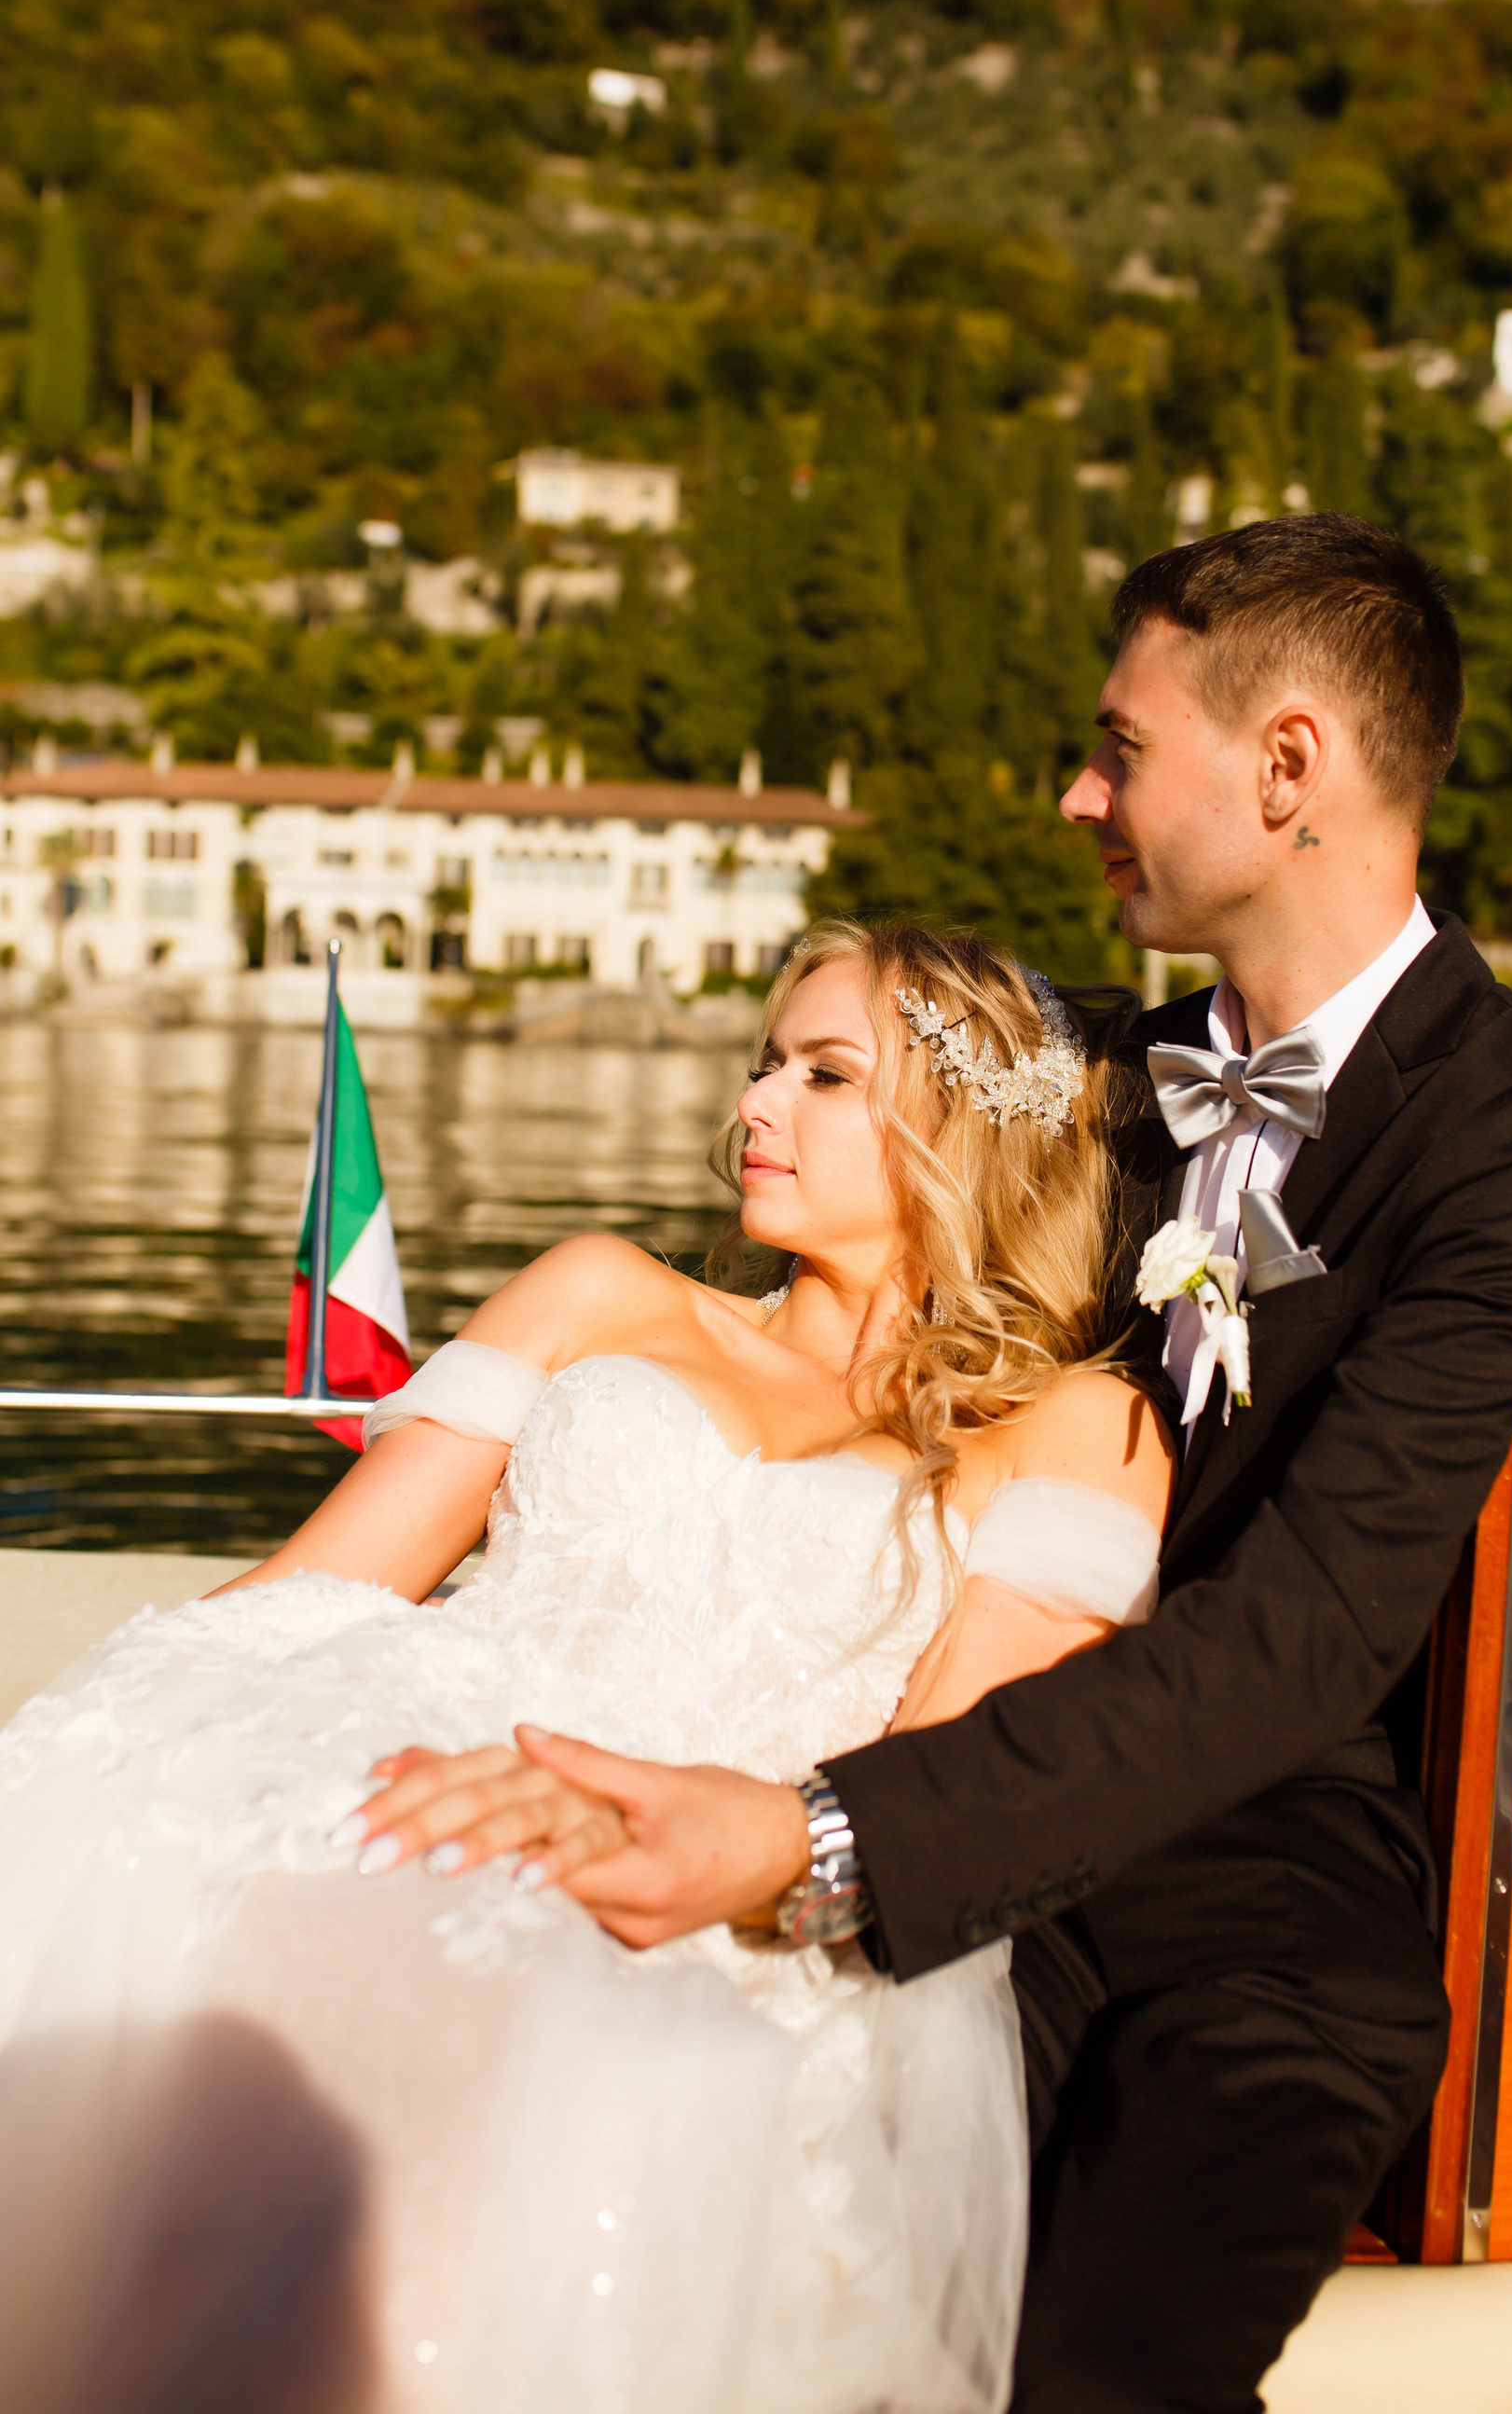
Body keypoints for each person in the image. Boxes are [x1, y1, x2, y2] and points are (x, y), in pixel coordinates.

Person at [364, 514, 1512, 2412]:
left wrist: (819, 1840)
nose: (1076, 795)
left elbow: (1312, 1635)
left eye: (1120, 748)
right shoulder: (1074, 1084)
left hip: (1253, 1855)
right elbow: (843, 1269)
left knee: (1105, 2347)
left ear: (1288, 767)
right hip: (920, 1731)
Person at [0, 921, 1175, 2414]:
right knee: (283, 1900)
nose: (754, 1103)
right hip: (410, 1752)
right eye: (766, 1065)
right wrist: (99, 1749)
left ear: (963, 1131)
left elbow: (944, 1780)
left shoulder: (1070, 1430)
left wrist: (686, 1848)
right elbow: (314, 1587)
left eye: (824, 1075)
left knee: (493, 2020)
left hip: (712, 1871)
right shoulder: (602, 1290)